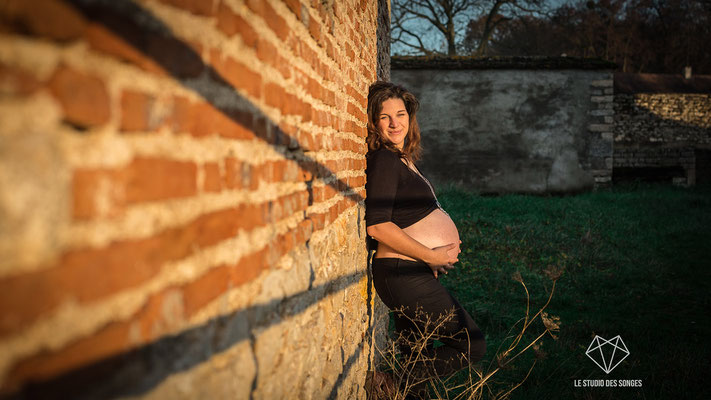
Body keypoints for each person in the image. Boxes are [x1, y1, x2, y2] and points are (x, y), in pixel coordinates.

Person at [364, 81, 486, 399]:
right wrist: (430, 256)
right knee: (470, 344)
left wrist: (424, 258)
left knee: (417, 353)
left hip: (411, 269)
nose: (395, 123)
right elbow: (377, 226)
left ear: (410, 117)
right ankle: (388, 383)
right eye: (384, 116)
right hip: (400, 273)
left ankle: (406, 389)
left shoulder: (403, 159)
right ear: (374, 122)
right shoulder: (386, 161)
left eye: (400, 114)